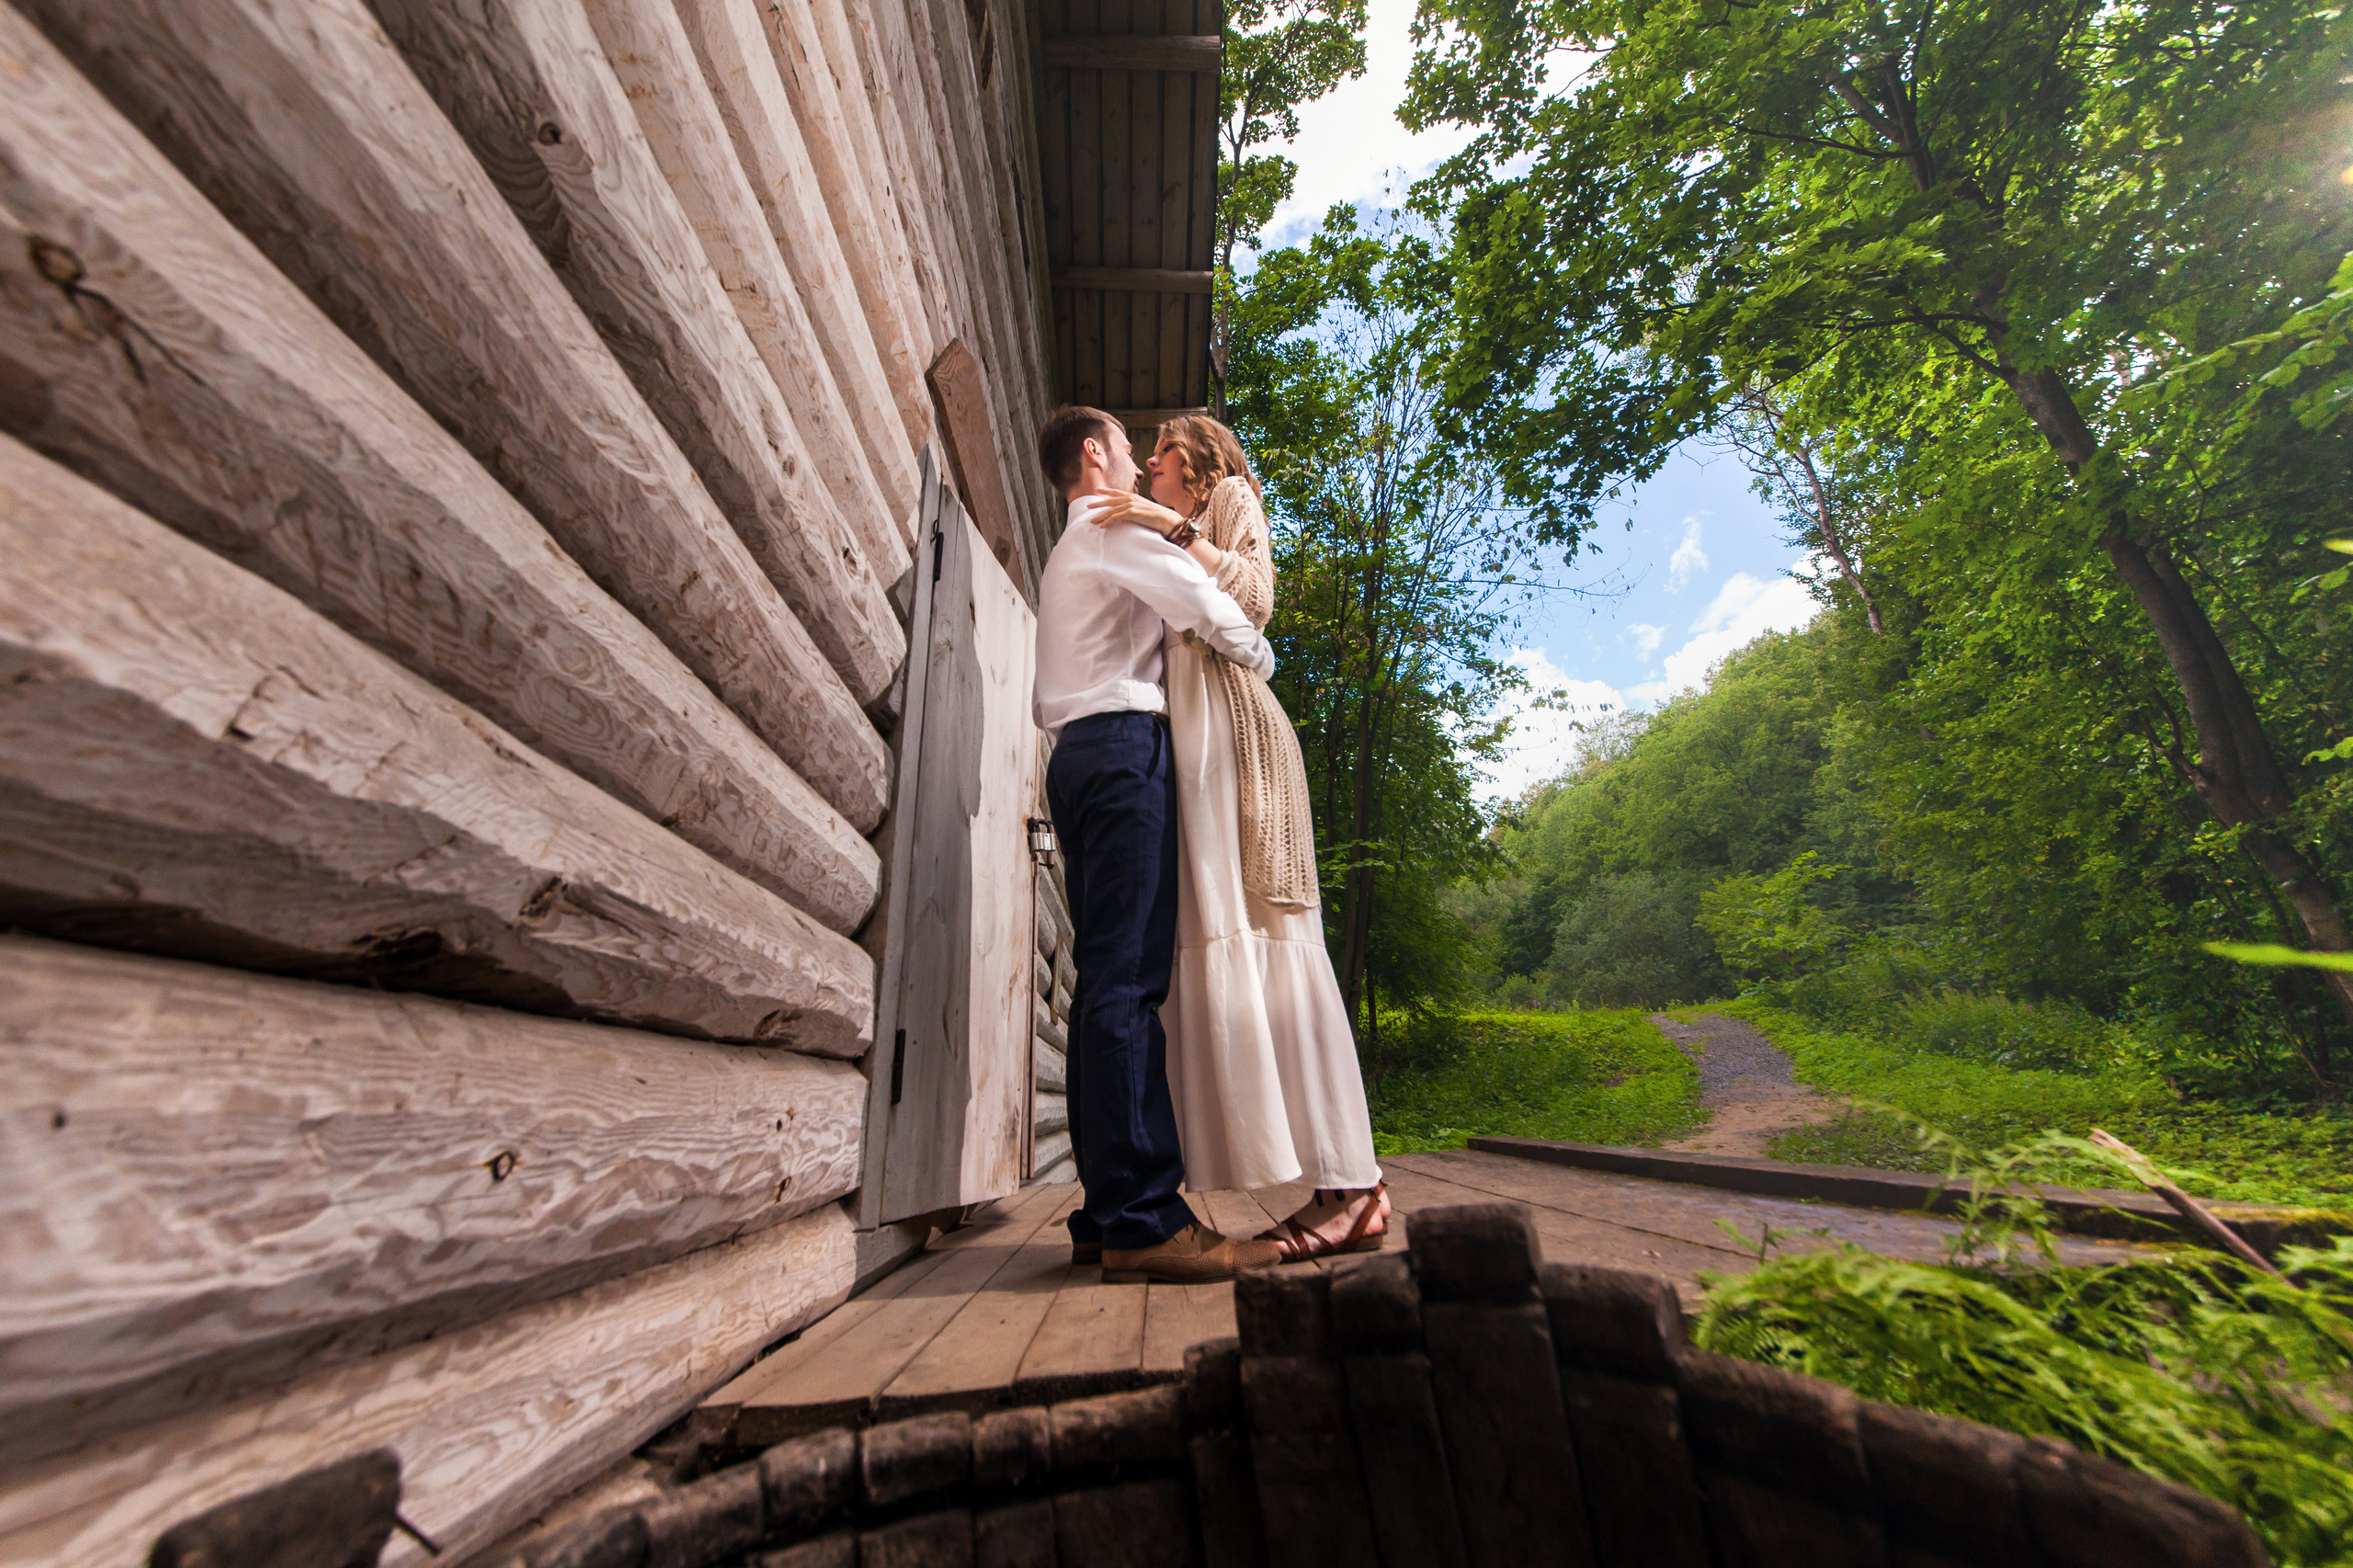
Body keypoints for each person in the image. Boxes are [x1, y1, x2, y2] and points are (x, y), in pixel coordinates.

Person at [1084, 415, 1389, 1261]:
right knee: (1218, 946)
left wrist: (1174, 529)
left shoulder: (1232, 499)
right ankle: (1295, 1181)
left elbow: (1255, 600)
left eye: (1163, 451)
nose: (1149, 462)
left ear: (1201, 461)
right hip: (1185, 745)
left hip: (1240, 743)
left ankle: (1355, 1190)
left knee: (1275, 937)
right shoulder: (1144, 528)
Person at [1031, 405, 1285, 1285]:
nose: (1142, 469)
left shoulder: (1067, 549)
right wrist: (1257, 655)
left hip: (1076, 762)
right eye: (1130, 453)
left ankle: (1107, 1213)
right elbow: (1207, 604)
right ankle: (1144, 1220)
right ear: (1095, 456)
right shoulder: (1110, 526)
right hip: (1119, 752)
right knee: (1129, 985)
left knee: (1104, 982)